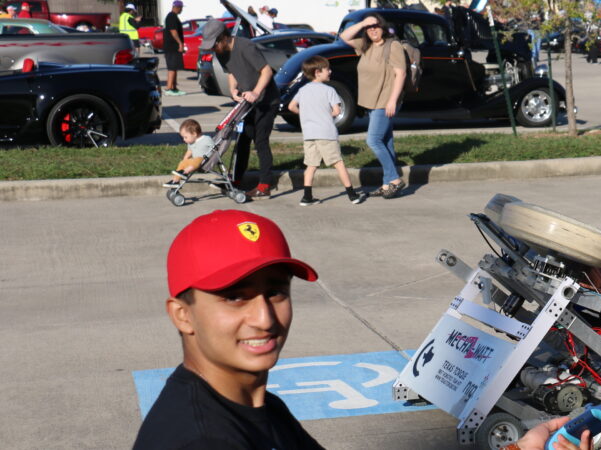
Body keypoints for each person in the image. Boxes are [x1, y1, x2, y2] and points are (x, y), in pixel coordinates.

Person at [132, 209, 323, 449]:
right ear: (182, 315)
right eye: (234, 298)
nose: (264, 320)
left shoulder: (262, 407)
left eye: (275, 293)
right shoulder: (202, 441)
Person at [200, 19, 279, 199]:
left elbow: (267, 71)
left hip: (267, 101)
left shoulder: (246, 47)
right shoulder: (221, 52)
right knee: (243, 141)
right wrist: (233, 89)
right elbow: (231, 72)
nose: (213, 49)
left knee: (261, 141)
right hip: (248, 102)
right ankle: (235, 180)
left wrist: (256, 92)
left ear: (223, 38)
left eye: (214, 44)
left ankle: (265, 185)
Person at [339, 14, 408, 199]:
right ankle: (387, 185)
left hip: (386, 101)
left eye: (376, 26)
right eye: (369, 28)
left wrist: (392, 100)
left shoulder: (392, 46)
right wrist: (363, 22)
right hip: (372, 101)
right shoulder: (365, 46)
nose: (373, 30)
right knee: (385, 141)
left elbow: (400, 74)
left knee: (373, 140)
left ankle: (394, 179)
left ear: (383, 27)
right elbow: (343, 37)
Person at [287, 56, 364, 206]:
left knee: (311, 165)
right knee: (338, 163)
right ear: (317, 72)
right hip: (326, 133)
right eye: (327, 69)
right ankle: (352, 195)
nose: (330, 71)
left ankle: (307, 197)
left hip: (309, 134)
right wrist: (325, 114)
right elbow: (336, 111)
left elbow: (291, 107)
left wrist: (305, 114)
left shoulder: (302, 90)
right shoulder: (330, 90)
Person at [162, 119, 214, 188]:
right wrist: (185, 160)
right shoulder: (191, 142)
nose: (184, 139)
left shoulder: (206, 139)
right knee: (182, 163)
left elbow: (214, 148)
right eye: (183, 137)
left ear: (194, 134)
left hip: (205, 160)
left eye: (185, 137)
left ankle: (185, 172)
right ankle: (175, 181)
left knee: (198, 159)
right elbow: (189, 151)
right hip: (194, 162)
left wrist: (210, 156)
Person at [163, 1, 186, 96]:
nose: (182, 9)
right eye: (181, 8)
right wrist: (180, 43)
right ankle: (168, 88)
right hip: (171, 46)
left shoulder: (173, 16)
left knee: (175, 67)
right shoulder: (171, 16)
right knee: (172, 67)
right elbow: (173, 31)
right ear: (177, 7)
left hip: (173, 46)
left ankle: (174, 87)